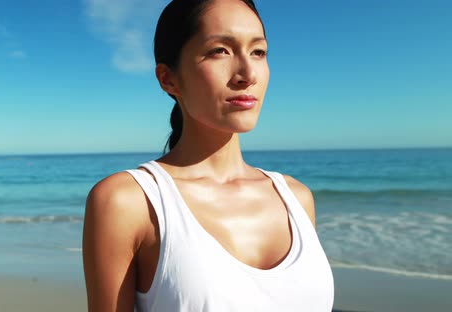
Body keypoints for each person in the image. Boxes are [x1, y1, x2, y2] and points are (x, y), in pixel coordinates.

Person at [82, 0, 334, 311]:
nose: (247, 74)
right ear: (168, 79)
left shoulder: (296, 198)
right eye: (220, 51)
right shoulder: (128, 202)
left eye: (258, 51)